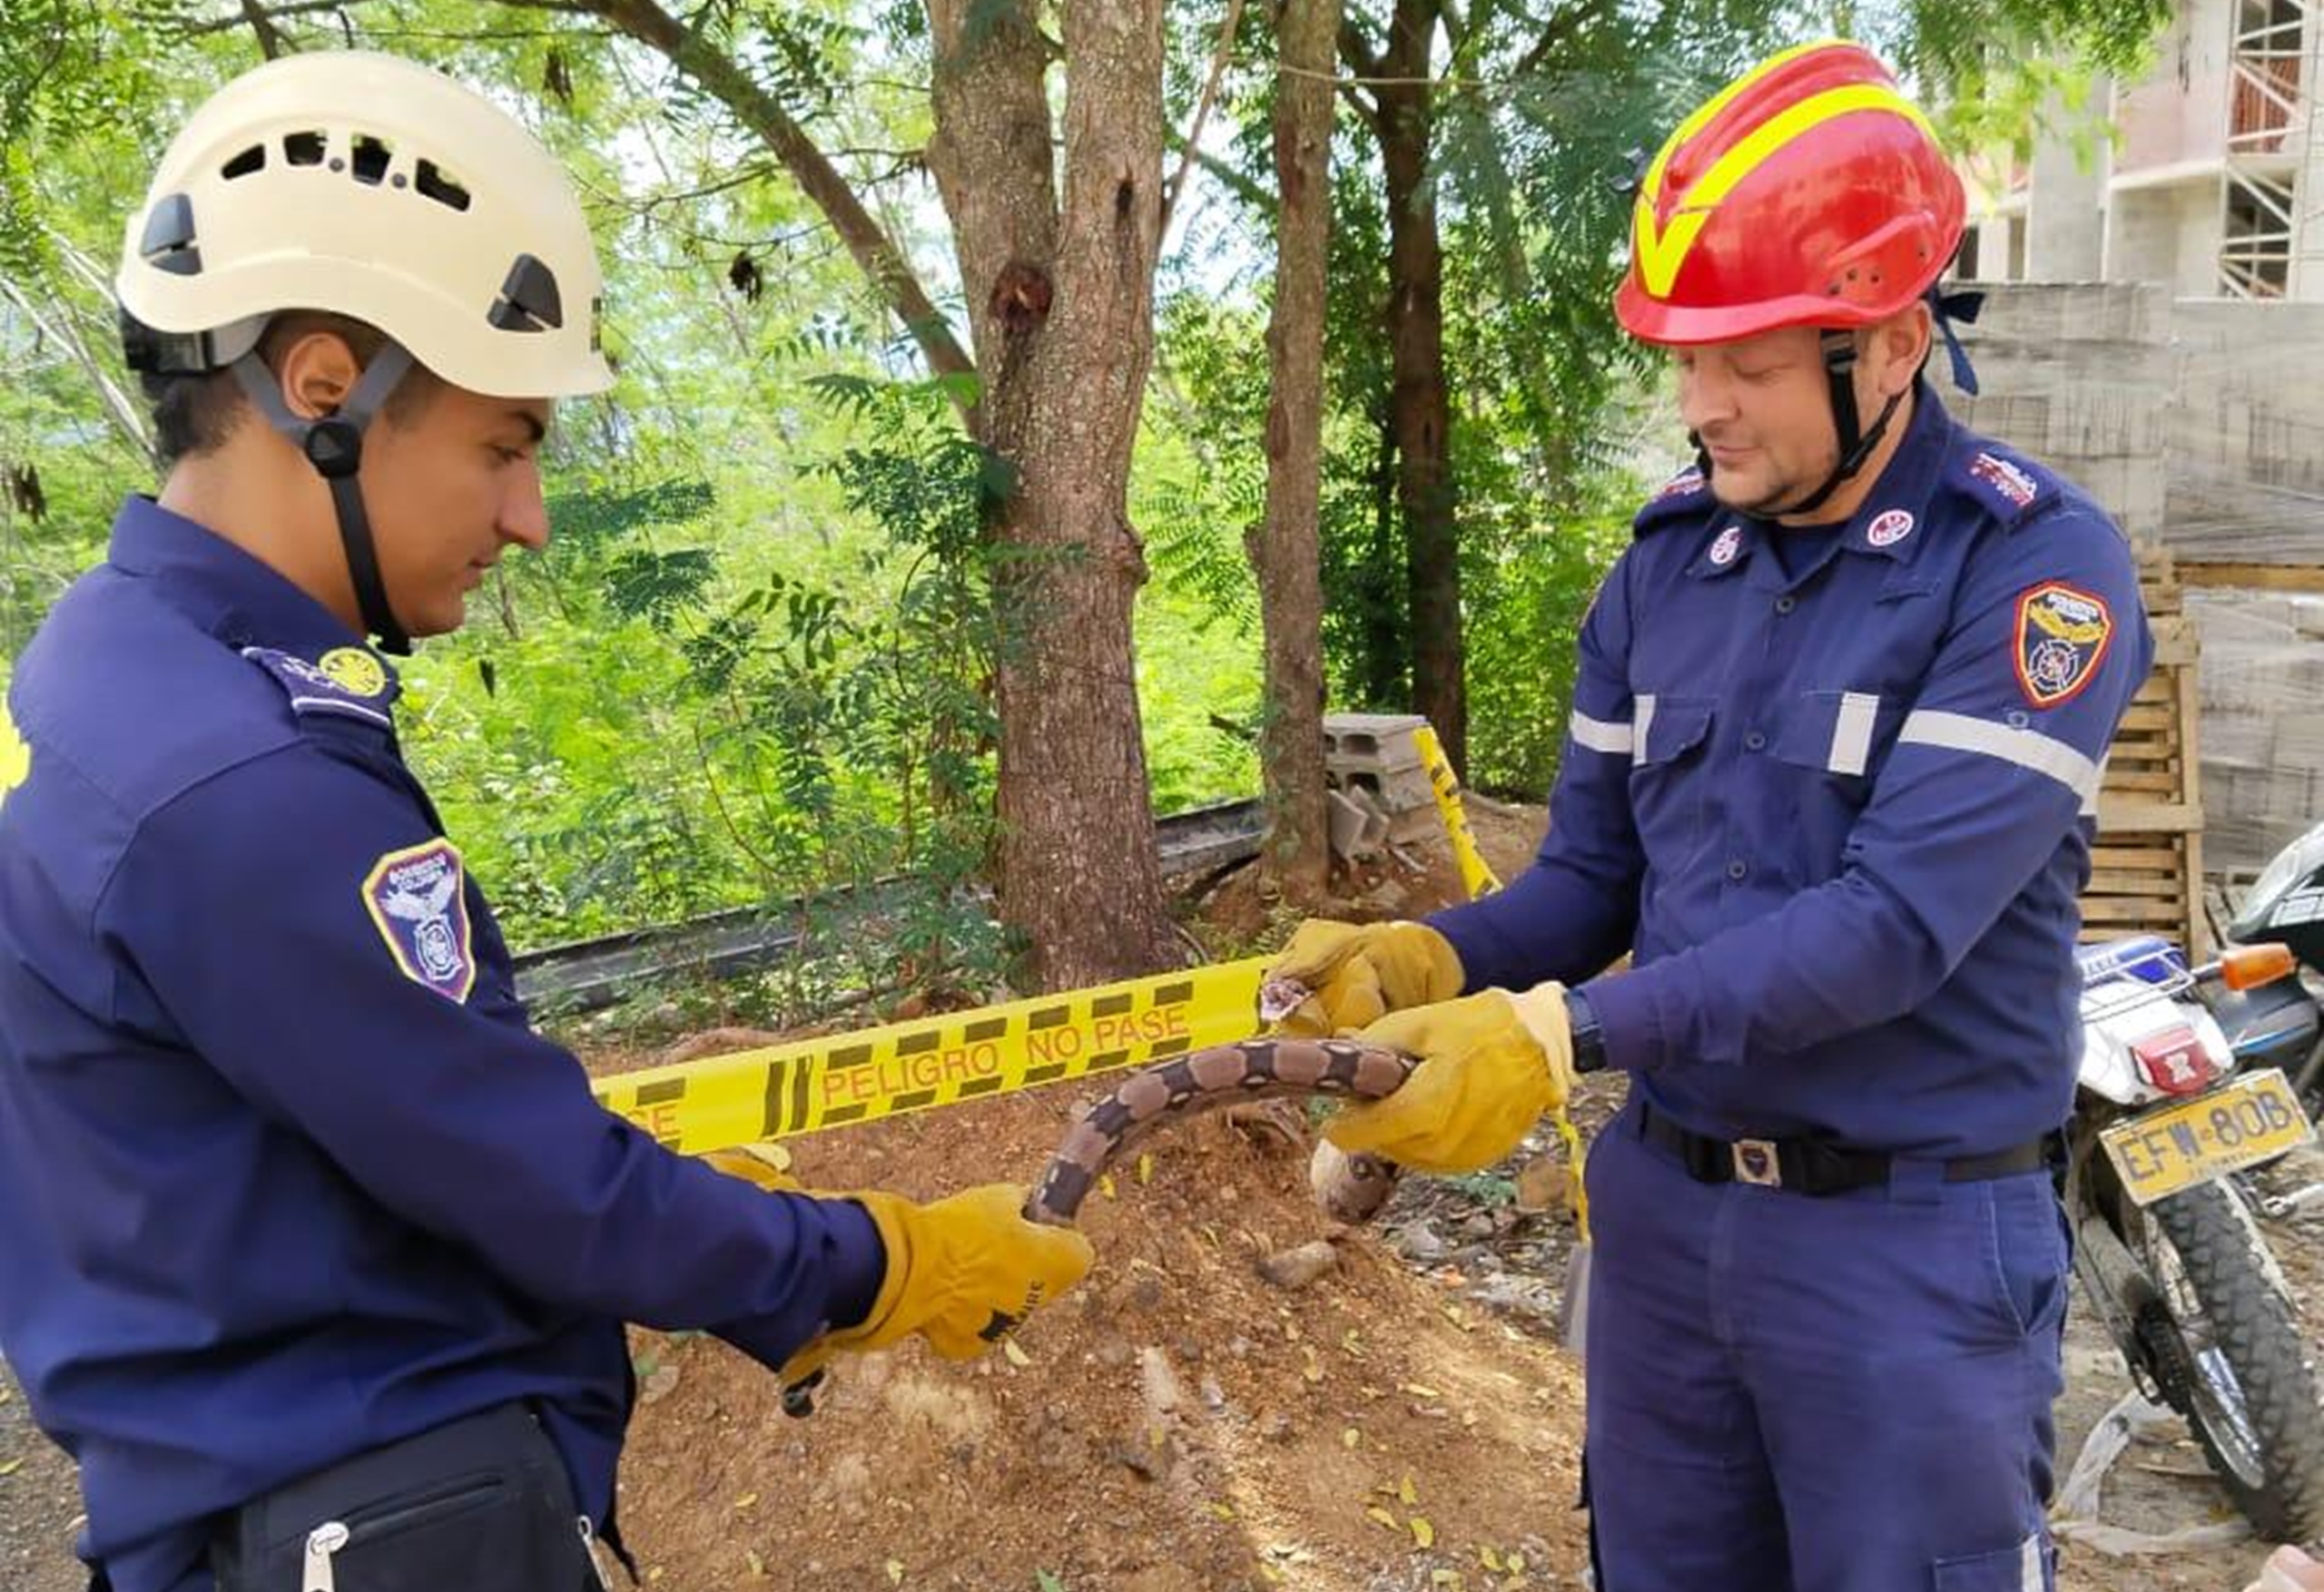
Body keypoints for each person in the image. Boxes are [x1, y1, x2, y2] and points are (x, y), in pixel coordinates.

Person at [0, 52, 1090, 1592]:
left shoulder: (100, 674)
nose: (527, 516)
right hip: (369, 1522)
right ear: (323, 389)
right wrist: (876, 1262)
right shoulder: (228, 781)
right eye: (505, 446)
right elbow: (536, 1186)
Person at [1267, 39, 2153, 1592]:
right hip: (1669, 1233)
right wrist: (1436, 953)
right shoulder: (1669, 571)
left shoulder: (2030, 572)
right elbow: (1593, 881)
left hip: (1909, 1254)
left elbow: (1887, 932)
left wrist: (1561, 1038)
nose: (1701, 404)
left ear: (1883, 344)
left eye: (1742, 362)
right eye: (1685, 359)